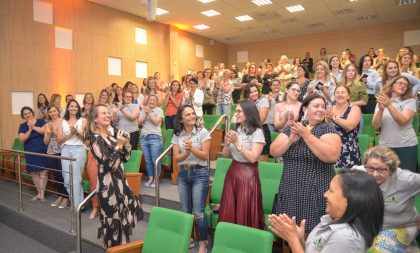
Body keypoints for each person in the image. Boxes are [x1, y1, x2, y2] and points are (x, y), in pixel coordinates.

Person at [270, 94, 341, 233]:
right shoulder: (293, 127)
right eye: (316, 106)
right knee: (289, 231)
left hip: (315, 191)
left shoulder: (327, 128)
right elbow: (274, 151)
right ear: (305, 108)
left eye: (323, 106)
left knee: (311, 234)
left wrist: (306, 135)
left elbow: (331, 156)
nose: (321, 109)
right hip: (290, 189)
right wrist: (290, 140)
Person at [268, 170, 384, 253]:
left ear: (349, 200)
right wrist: (299, 239)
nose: (325, 194)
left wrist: (293, 240)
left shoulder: (346, 237)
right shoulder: (332, 219)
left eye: (331, 191)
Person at [87, 104, 143, 248]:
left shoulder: (112, 135)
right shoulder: (95, 139)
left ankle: (123, 247)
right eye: (103, 113)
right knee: (113, 220)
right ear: (94, 119)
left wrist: (127, 144)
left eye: (108, 113)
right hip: (108, 185)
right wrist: (118, 146)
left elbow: (125, 158)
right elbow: (109, 165)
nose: (108, 115)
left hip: (120, 182)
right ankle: (114, 248)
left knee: (123, 215)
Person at [353, 146, 420, 252]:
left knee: (380, 248)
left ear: (391, 169)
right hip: (369, 226)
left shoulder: (406, 180)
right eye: (370, 168)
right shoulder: (359, 173)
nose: (375, 174)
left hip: (401, 226)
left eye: (381, 169)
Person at [219, 100, 266, 230]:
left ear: (248, 112)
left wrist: (237, 143)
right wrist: (228, 143)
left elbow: (253, 158)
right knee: (230, 207)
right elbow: (224, 155)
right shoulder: (236, 130)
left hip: (248, 174)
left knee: (244, 208)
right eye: (236, 111)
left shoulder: (257, 132)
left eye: (239, 111)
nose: (236, 113)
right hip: (233, 171)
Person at [172, 104, 211, 253]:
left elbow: (205, 155)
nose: (192, 116)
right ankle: (188, 237)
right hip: (183, 174)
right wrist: (188, 153)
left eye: (193, 113)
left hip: (199, 173)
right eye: (187, 114)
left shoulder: (203, 132)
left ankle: (203, 242)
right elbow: (177, 158)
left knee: (199, 211)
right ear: (181, 119)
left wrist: (191, 149)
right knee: (185, 209)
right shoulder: (177, 134)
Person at [372, 76, 418, 172]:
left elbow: (402, 121)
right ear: (392, 85)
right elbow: (376, 125)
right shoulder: (382, 101)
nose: (403, 86)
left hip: (406, 146)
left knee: (406, 179)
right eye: (400, 83)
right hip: (385, 146)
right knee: (385, 177)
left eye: (406, 85)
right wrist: (380, 109)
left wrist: (389, 105)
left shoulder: (410, 101)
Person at [57, 99, 87, 209]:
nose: (74, 108)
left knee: (76, 179)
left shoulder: (83, 120)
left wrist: (77, 133)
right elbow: (59, 139)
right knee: (67, 180)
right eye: (71, 106)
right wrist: (70, 134)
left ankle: (77, 206)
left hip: (79, 149)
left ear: (78, 108)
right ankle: (78, 203)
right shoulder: (62, 121)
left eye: (76, 106)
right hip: (65, 150)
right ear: (68, 108)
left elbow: (85, 139)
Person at [325, 85, 361, 169]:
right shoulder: (330, 109)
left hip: (349, 149)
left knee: (349, 179)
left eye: (342, 92)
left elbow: (349, 126)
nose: (340, 94)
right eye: (337, 92)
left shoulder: (354, 108)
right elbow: (326, 127)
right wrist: (328, 119)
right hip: (332, 148)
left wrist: (333, 117)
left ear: (348, 96)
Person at [18, 106, 48, 202]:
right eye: (25, 114)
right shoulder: (22, 126)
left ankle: (42, 194)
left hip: (42, 150)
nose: (28, 115)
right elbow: (22, 139)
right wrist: (30, 129)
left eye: (29, 113)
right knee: (34, 172)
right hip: (30, 151)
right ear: (23, 116)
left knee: (44, 171)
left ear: (32, 113)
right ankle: (39, 193)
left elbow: (44, 132)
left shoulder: (41, 121)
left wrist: (33, 126)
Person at [43, 105, 69, 208]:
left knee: (64, 175)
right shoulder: (47, 124)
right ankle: (60, 196)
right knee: (56, 175)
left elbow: (64, 137)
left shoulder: (63, 122)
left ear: (58, 112)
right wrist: (48, 133)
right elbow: (45, 142)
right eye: (50, 112)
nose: (52, 113)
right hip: (51, 152)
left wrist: (54, 131)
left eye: (54, 111)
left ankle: (66, 198)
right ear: (48, 113)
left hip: (63, 151)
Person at [138, 94, 163, 188]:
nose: (151, 101)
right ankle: (151, 178)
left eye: (154, 100)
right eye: (150, 100)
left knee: (155, 160)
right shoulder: (143, 110)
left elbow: (156, 121)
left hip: (155, 138)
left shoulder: (159, 110)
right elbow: (140, 122)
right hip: (144, 138)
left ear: (156, 102)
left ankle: (156, 179)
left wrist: (149, 112)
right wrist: (145, 112)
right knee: (148, 161)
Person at [243, 84, 270, 161]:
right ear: (247, 94)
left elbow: (261, 120)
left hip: (261, 130)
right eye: (251, 92)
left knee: (260, 163)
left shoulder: (263, 100)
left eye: (256, 91)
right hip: (247, 130)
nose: (255, 93)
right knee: (247, 159)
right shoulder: (244, 103)